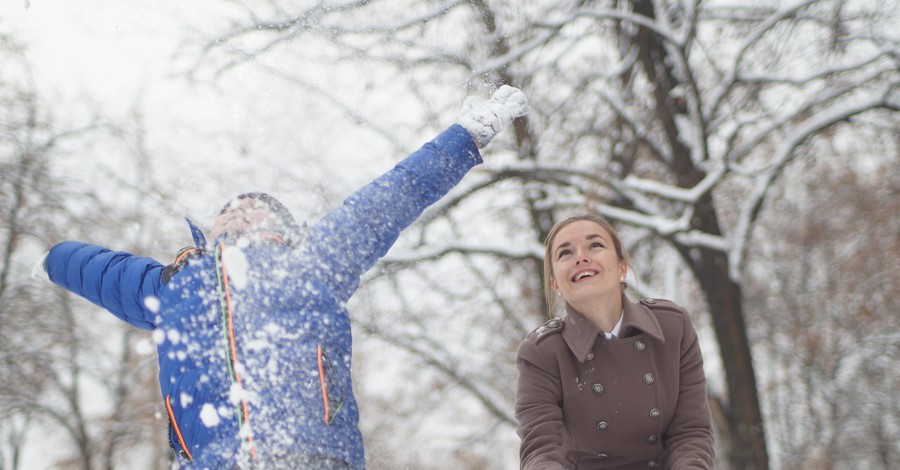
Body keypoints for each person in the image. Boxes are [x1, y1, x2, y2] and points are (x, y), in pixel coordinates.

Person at [37, 85, 528, 469]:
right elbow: (86, 266)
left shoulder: (315, 260)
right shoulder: (174, 285)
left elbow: (394, 195)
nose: (240, 211)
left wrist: (464, 138)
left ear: (285, 230)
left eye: (256, 209)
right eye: (229, 210)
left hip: (309, 453)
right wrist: (45, 253)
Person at [515, 215, 715, 469]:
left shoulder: (673, 328)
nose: (581, 257)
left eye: (595, 245)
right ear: (556, 283)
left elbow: (691, 433)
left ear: (622, 267)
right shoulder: (541, 353)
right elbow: (540, 452)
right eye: (565, 253)